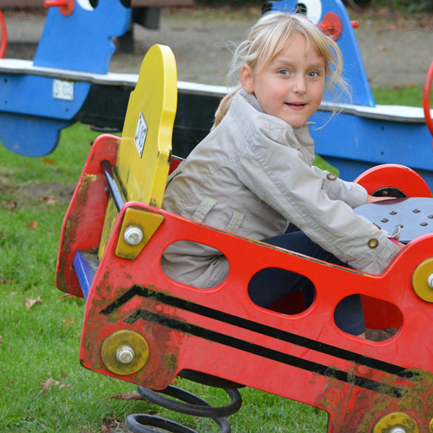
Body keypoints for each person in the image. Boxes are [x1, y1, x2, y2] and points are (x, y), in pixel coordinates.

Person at [161, 11, 402, 337]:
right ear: (249, 78)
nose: (300, 87)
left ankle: (347, 333)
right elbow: (314, 210)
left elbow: (302, 179)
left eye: (313, 73)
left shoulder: (254, 112)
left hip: (193, 264)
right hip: (196, 283)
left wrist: (359, 198)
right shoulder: (259, 136)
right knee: (328, 242)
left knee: (324, 233)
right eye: (284, 72)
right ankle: (357, 351)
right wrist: (389, 258)